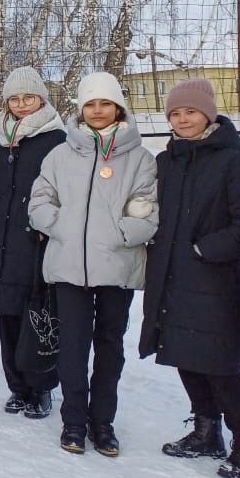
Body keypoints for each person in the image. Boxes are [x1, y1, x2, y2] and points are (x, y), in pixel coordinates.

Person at [141, 79, 240, 478]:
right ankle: (206, 430)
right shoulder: (167, 161)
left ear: (208, 114)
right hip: (172, 277)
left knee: (220, 363)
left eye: (190, 112)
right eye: (175, 114)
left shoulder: (234, 163)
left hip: (214, 279)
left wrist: (206, 249)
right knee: (183, 354)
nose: (183, 120)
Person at [29, 72, 158, 457]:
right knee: (72, 346)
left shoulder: (140, 158)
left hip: (116, 267)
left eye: (105, 103)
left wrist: (117, 234)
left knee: (109, 347)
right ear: (80, 110)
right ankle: (74, 421)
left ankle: (103, 423)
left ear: (118, 106)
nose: (98, 110)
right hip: (69, 265)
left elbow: (146, 212)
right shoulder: (61, 154)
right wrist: (61, 226)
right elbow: (40, 201)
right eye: (90, 104)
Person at [0, 67, 66, 419]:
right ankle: (16, 387)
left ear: (41, 98)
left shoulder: (57, 139)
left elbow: (65, 191)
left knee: (39, 316)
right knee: (8, 316)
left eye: (28, 97)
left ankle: (41, 388)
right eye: (14, 99)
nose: (21, 105)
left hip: (37, 241)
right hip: (0, 240)